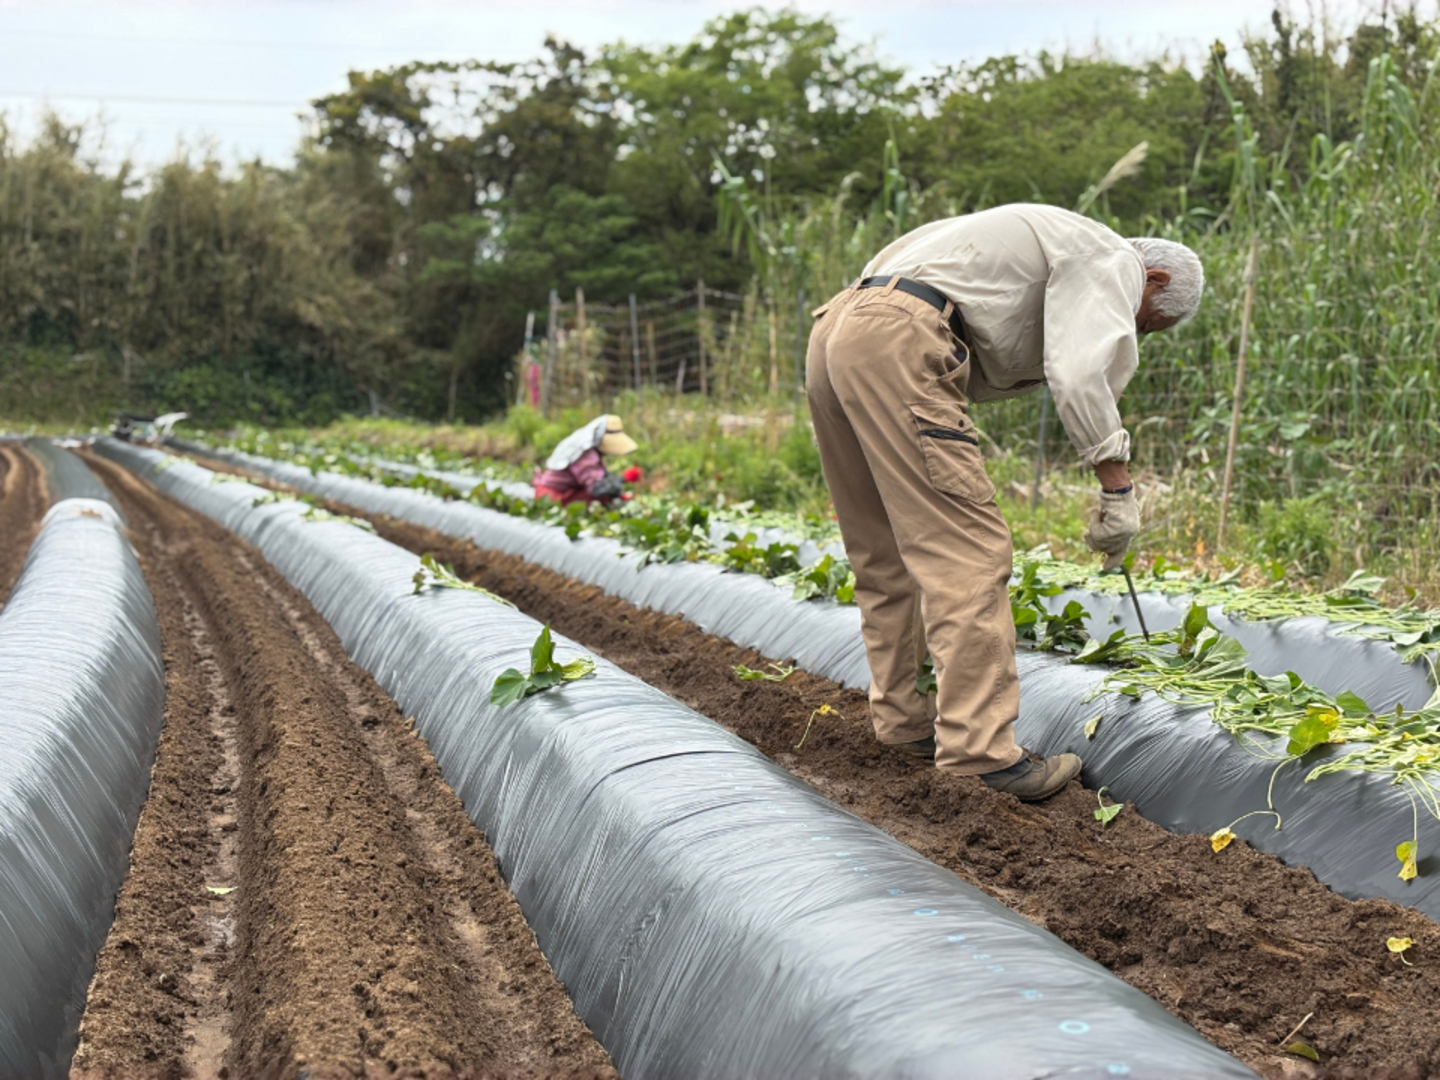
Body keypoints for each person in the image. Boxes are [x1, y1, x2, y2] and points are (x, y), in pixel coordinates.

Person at [806, 203, 1204, 801]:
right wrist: (1117, 485)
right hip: (901, 338)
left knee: (882, 552)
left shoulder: (1047, 237)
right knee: (969, 555)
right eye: (1145, 324)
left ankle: (905, 721)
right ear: (1154, 279)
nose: (1133, 332)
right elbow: (1079, 371)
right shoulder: (1111, 256)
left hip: (839, 331)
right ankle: (980, 754)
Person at [533, 415, 640, 505]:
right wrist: (624, 478)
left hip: (563, 493)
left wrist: (620, 496)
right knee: (601, 499)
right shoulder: (585, 454)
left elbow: (602, 479)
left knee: (606, 498)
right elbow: (596, 489)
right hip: (551, 497)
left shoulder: (594, 454)